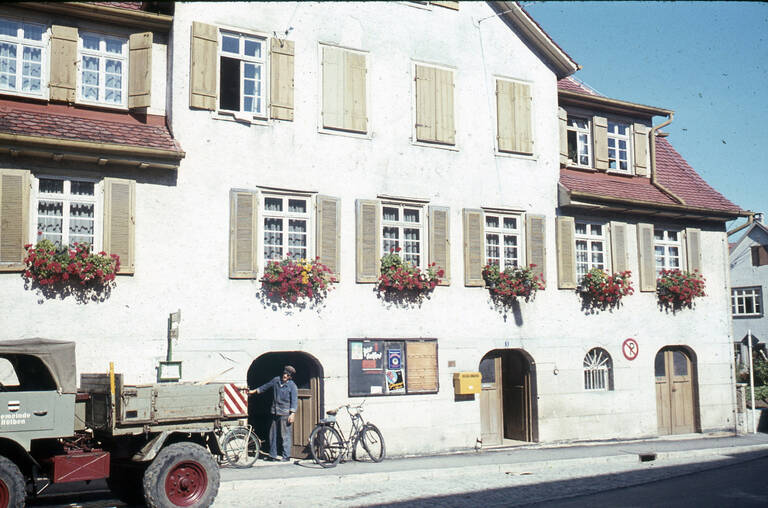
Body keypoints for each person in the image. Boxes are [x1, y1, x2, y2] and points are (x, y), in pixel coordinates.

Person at [248, 365, 298, 461]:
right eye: (284, 374)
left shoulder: (292, 386)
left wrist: (292, 413)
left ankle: (286, 456)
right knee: (272, 435)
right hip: (274, 411)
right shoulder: (276, 380)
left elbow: (294, 400)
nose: (285, 376)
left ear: (290, 377)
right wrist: (253, 391)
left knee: (285, 435)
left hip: (285, 413)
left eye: (287, 375)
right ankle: (272, 455)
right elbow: (265, 387)